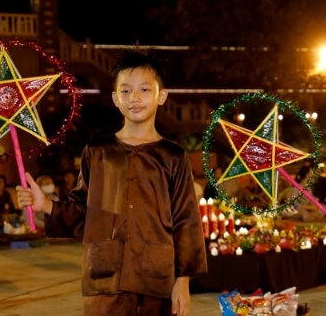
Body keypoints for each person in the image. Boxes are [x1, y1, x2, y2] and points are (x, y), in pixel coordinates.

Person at [15, 50, 207, 316]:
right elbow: (84, 213)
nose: (135, 98)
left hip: (155, 279)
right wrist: (46, 204)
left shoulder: (173, 156)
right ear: (116, 98)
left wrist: (183, 281)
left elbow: (186, 221)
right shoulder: (98, 152)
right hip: (105, 279)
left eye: (144, 89)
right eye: (126, 91)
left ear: (161, 96)